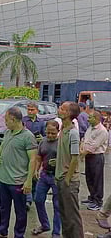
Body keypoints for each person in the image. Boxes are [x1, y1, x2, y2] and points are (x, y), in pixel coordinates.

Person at [0, 107, 37, 238]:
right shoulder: (8, 132)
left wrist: (29, 181)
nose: (5, 123)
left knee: (20, 211)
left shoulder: (28, 137)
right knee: (3, 208)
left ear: (13, 119)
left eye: (6, 120)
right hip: (4, 180)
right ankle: (2, 232)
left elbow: (33, 160)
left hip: (18, 182)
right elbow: (2, 146)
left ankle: (19, 235)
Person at [55, 101, 84, 238]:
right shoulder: (63, 130)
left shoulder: (73, 133)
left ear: (68, 114)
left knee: (72, 216)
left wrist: (67, 179)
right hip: (61, 178)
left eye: (62, 108)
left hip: (69, 181)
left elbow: (74, 158)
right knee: (64, 215)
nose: (59, 110)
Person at [31, 120, 61, 238]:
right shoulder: (43, 141)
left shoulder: (61, 143)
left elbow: (69, 159)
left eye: (53, 133)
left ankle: (56, 233)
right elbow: (39, 157)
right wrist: (36, 170)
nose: (50, 135)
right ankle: (45, 225)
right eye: (48, 133)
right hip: (44, 175)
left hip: (56, 177)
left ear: (58, 132)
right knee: (38, 200)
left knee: (57, 205)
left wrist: (58, 162)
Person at [80, 111, 108, 211]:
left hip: (96, 157)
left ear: (96, 119)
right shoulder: (90, 128)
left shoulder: (102, 131)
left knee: (97, 179)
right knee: (89, 178)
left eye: (90, 117)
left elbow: (93, 146)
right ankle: (92, 198)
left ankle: (98, 202)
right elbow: (85, 139)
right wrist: (82, 148)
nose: (88, 119)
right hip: (89, 156)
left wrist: (81, 155)